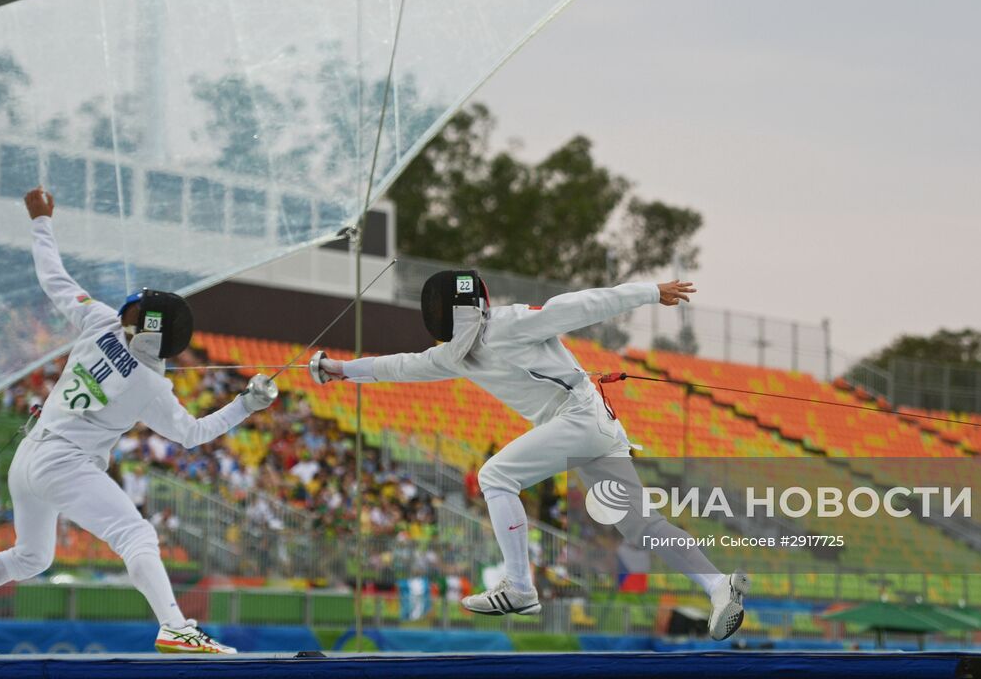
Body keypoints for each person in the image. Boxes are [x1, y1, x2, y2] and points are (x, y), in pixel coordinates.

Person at [0, 187, 278, 655]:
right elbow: (193, 434)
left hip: (28, 457)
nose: (126, 311)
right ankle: (174, 625)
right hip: (62, 462)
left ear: (153, 332)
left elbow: (53, 278)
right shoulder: (148, 383)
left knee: (32, 557)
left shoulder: (99, 322)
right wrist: (247, 405)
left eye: (137, 313)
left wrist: (41, 221)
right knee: (136, 534)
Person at [310, 271, 748, 640]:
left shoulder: (510, 323)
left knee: (496, 476)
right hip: (591, 426)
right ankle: (717, 585)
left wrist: (650, 292)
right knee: (639, 526)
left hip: (579, 417)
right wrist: (340, 370)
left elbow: (582, 305)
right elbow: (401, 367)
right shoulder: (456, 356)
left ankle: (520, 586)